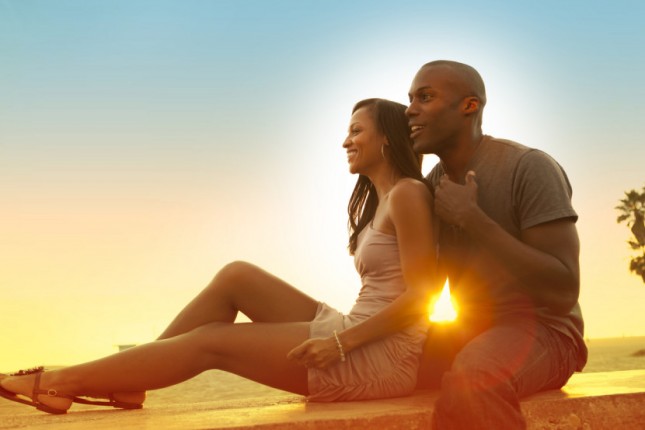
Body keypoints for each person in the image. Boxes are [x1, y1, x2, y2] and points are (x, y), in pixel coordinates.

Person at [0, 98, 440, 414]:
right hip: (356, 330)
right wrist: (341, 333)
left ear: (386, 139)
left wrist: (339, 343)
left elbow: (421, 298)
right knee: (237, 276)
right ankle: (129, 385)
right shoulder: (382, 199)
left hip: (378, 358)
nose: (346, 140)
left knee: (212, 340)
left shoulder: (407, 195)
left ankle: (57, 382)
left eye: (357, 130)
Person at [406, 60, 587, 429]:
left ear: (469, 106)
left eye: (425, 97)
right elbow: (421, 285)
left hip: (546, 331)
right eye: (410, 99)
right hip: (471, 330)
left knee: (474, 380)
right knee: (379, 373)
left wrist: (473, 220)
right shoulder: (428, 186)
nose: (410, 109)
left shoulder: (528, 167)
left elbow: (563, 289)